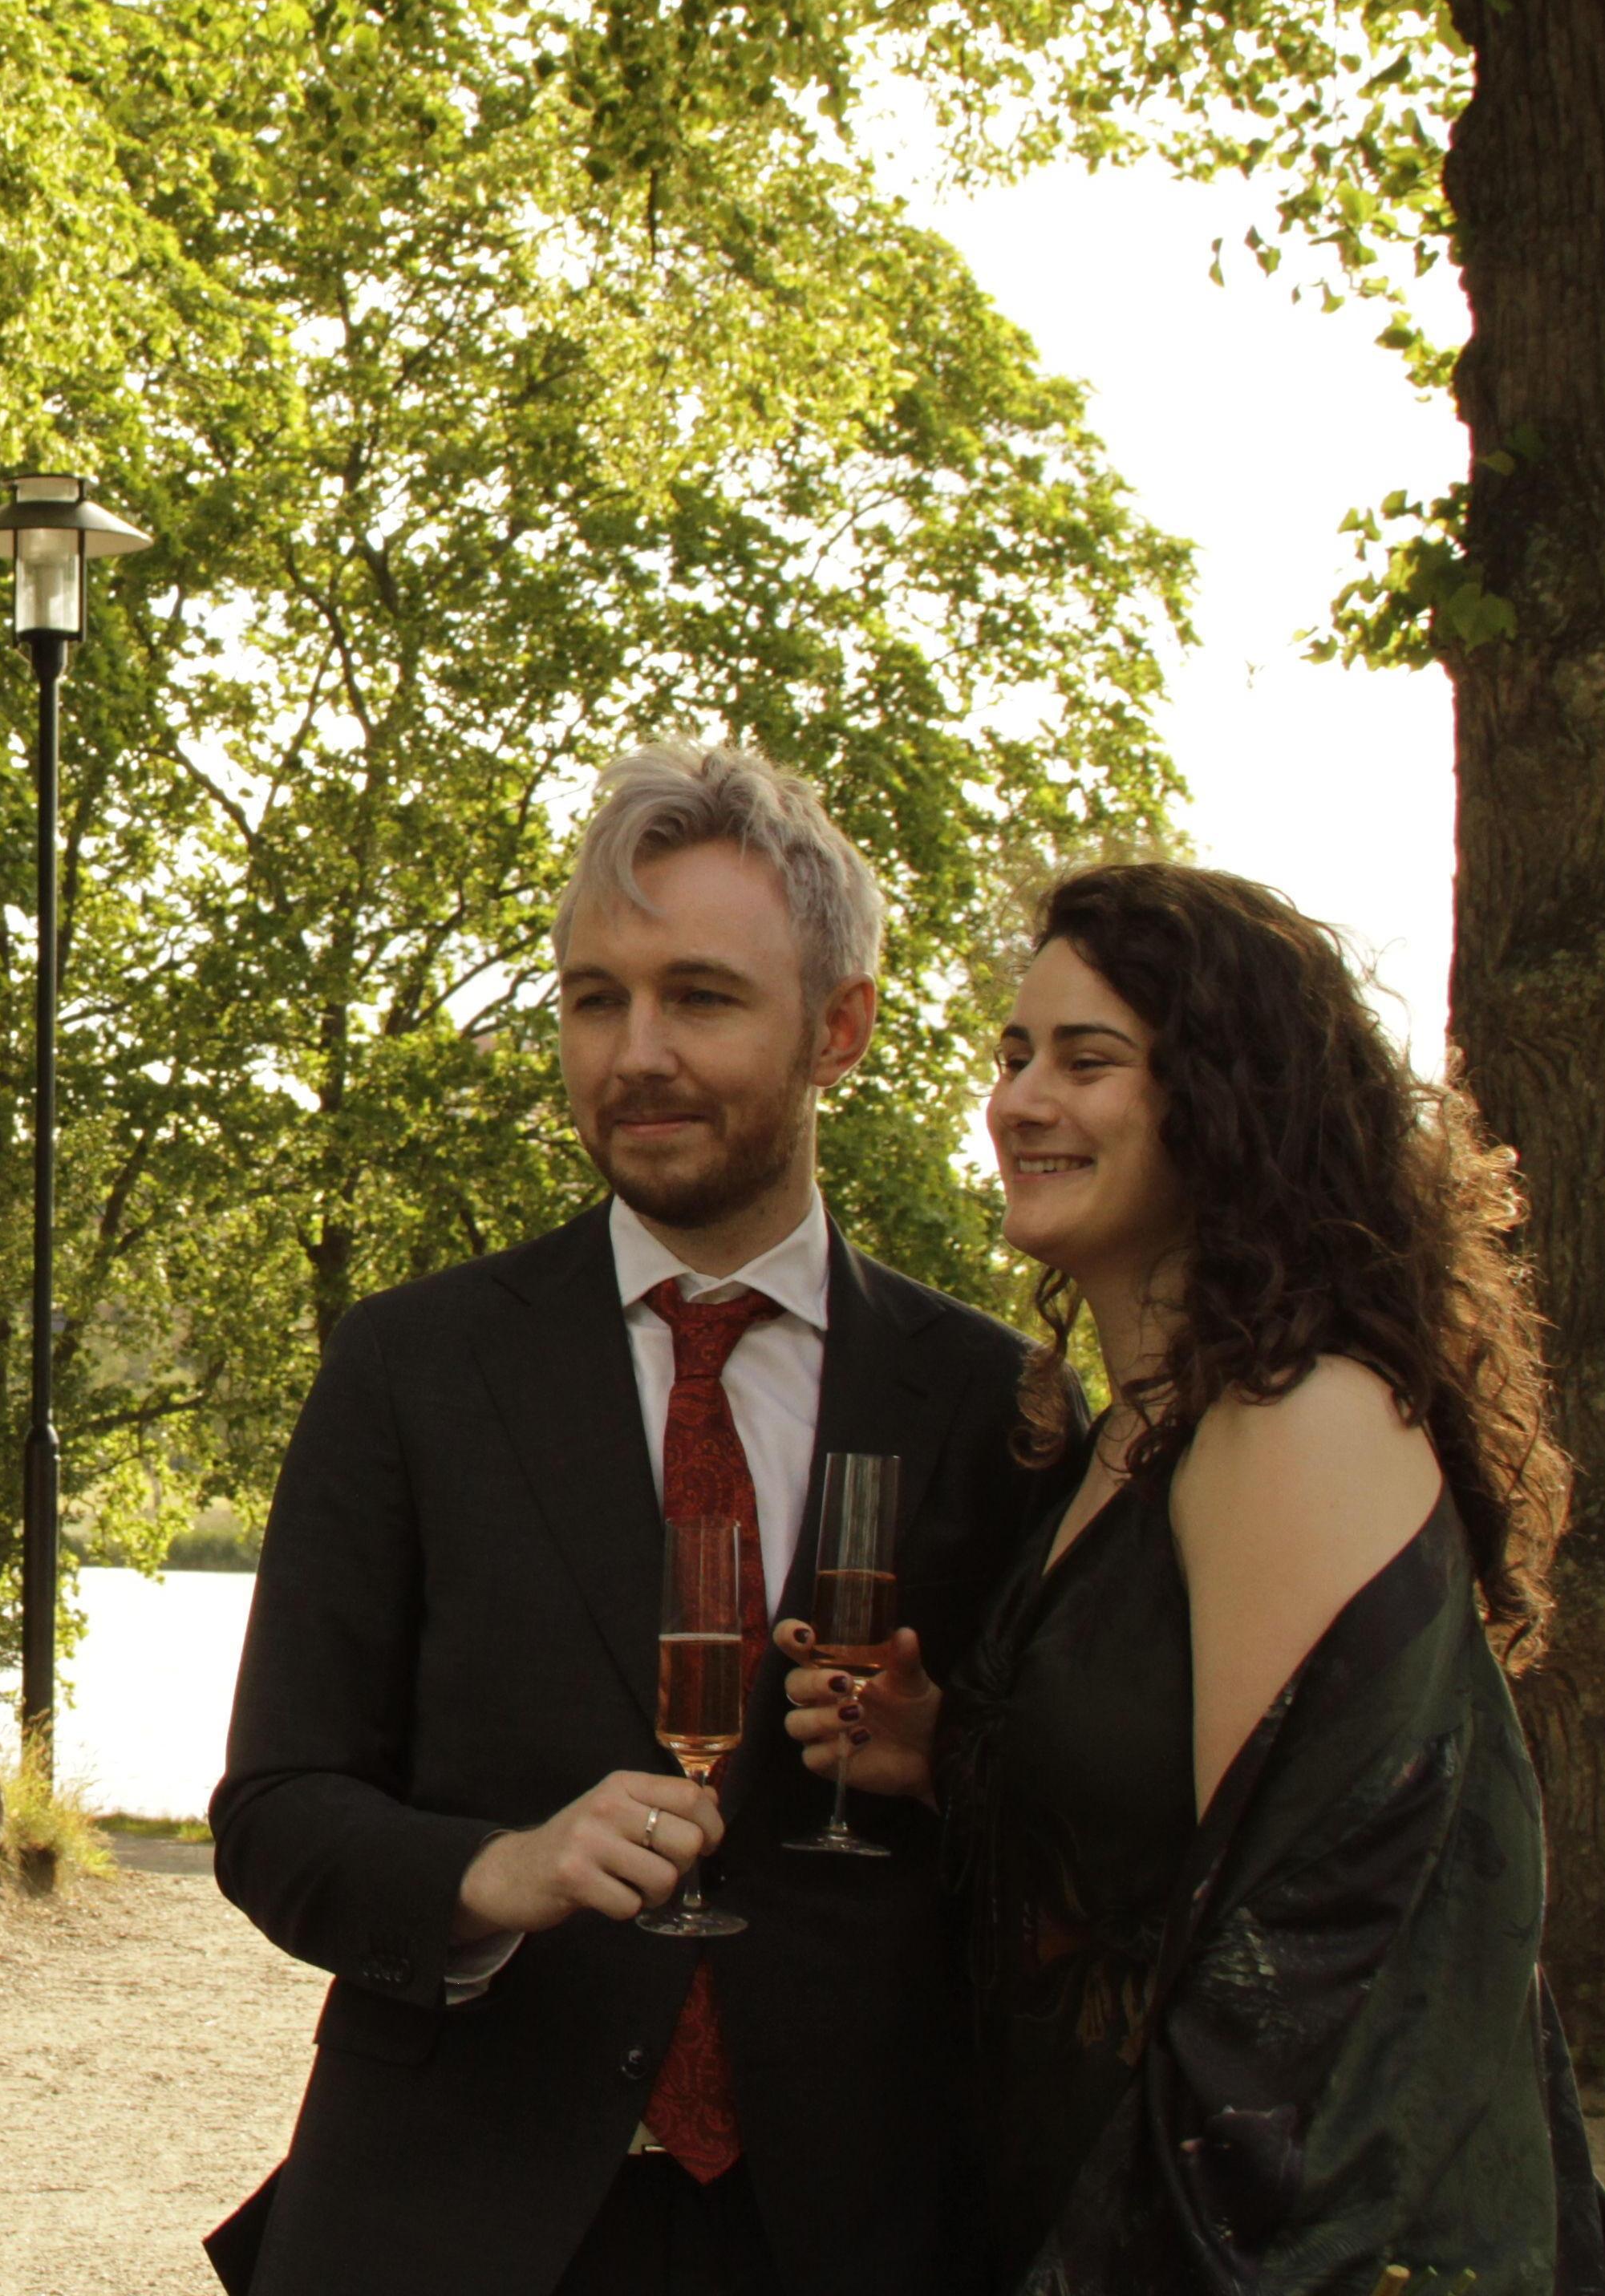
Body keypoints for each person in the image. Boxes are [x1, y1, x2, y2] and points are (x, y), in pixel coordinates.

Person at [207, 743, 1077, 2296]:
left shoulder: (991, 1403)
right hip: (448, 2225)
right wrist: (493, 1871)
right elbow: (275, 1812)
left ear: (840, 1028)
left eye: (701, 997)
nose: (635, 1053)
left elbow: (1073, 1842)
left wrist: (949, 1755)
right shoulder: (413, 1367)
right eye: (593, 999)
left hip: (861, 2235)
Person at [778, 860, 1605, 2294]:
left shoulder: (1299, 1422)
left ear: (1227, 1098)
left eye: (1088, 1061)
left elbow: (1313, 1964)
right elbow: (1153, 1857)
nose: (1019, 1102)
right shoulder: (1126, 1436)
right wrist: (951, 1755)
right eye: (1014, 1055)